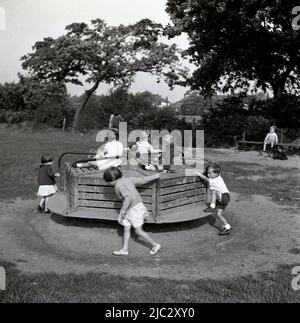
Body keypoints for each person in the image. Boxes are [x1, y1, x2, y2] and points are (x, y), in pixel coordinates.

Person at [103, 167, 162, 256]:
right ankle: (125, 250)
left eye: (109, 182)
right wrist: (155, 176)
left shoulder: (119, 185)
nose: (110, 184)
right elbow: (142, 180)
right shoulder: (127, 180)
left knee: (138, 231)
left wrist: (123, 211)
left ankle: (155, 245)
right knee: (126, 227)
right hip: (134, 207)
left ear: (113, 180)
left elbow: (128, 198)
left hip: (134, 208)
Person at [195, 163, 231, 235]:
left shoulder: (213, 181)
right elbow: (214, 169)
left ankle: (212, 206)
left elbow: (205, 178)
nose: (208, 174)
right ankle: (227, 227)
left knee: (214, 191)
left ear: (216, 173)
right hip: (226, 197)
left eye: (210, 173)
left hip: (223, 197)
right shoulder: (219, 177)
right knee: (218, 214)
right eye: (207, 172)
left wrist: (198, 173)